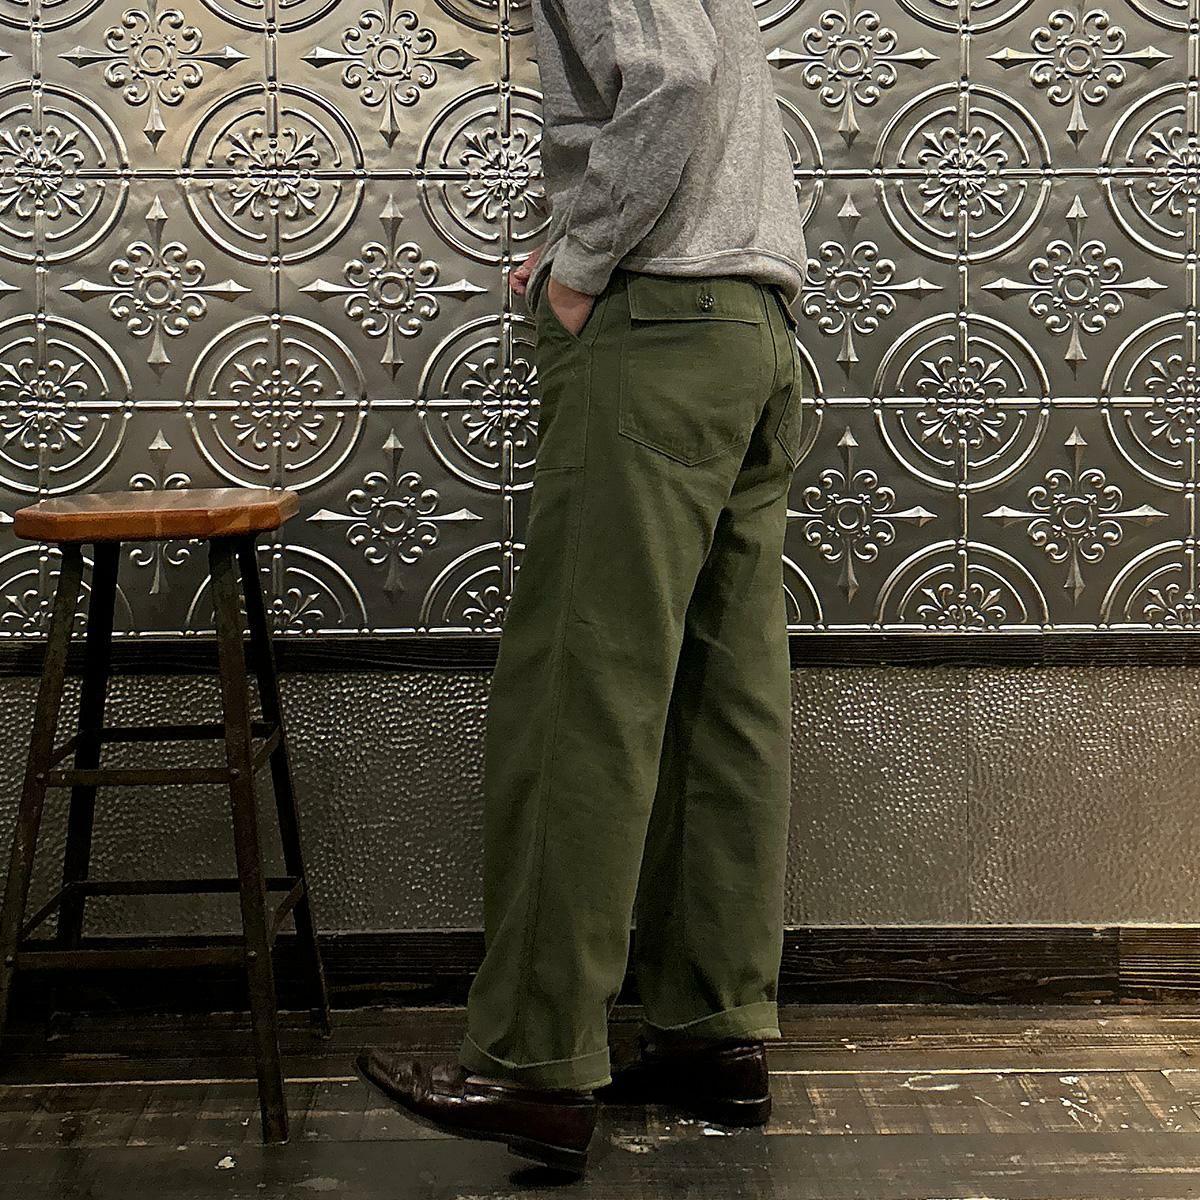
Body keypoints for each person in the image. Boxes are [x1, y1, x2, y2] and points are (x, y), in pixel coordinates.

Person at [356, 0, 808, 1174]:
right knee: (721, 699)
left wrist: (585, 257)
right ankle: (712, 1033)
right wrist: (571, 244)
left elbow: (672, 77)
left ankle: (536, 1063)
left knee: (581, 694)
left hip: (657, 324)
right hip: (752, 323)